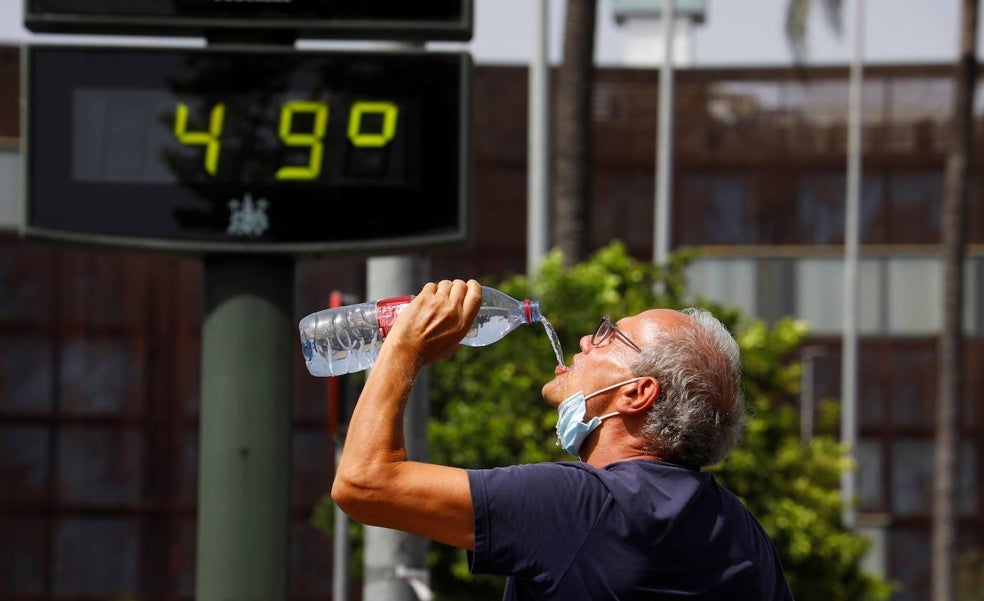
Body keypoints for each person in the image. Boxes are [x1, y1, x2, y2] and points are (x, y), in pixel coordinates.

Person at [331, 279, 794, 600]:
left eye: (610, 336)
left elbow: (364, 483)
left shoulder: (582, 506)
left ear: (637, 393)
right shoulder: (743, 533)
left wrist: (404, 347)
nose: (587, 341)